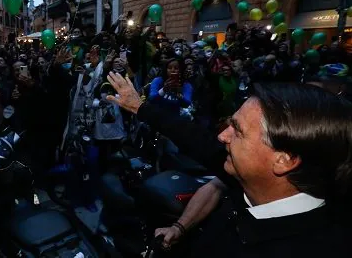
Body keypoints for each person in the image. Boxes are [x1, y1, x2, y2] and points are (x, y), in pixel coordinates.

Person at [105, 72, 352, 257]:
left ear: (284, 160)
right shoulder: (252, 175)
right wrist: (140, 107)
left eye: (238, 131)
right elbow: (195, 138)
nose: (223, 137)